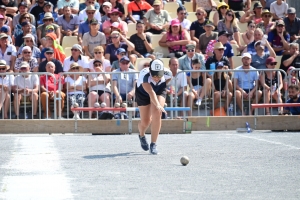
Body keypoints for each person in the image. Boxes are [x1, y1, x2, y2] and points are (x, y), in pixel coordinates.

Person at [136, 59, 172, 154]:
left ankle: (153, 144)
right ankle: (141, 135)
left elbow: (167, 80)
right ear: (150, 71)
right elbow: (151, 93)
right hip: (143, 93)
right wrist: (158, 105)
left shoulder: (168, 73)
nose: (157, 78)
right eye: (154, 75)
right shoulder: (144, 75)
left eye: (159, 75)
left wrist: (158, 106)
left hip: (159, 90)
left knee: (157, 112)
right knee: (146, 121)